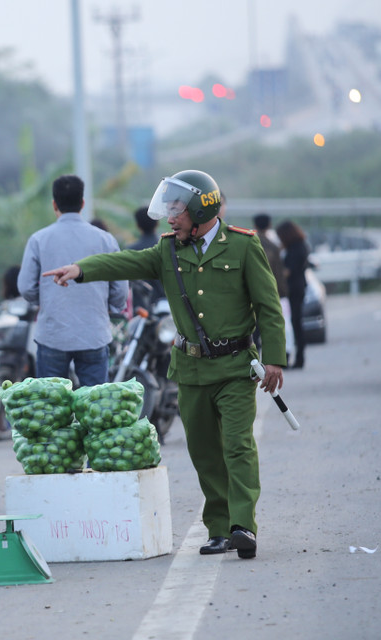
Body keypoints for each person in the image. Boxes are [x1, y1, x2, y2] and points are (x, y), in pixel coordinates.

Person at [41, 169, 287, 560]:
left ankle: (243, 526)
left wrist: (274, 358)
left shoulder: (243, 247)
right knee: (204, 451)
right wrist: (82, 269)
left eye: (176, 211)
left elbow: (269, 308)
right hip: (190, 370)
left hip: (236, 366)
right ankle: (220, 529)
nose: (170, 218)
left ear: (200, 209)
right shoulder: (169, 249)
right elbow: (126, 262)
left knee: (238, 447)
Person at [16, 174, 128, 387]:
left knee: (51, 409)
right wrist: (112, 307)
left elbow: (26, 287)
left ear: (54, 204)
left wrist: (46, 300)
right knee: (95, 409)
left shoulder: (39, 239)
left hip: (53, 335)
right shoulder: (105, 239)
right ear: (82, 203)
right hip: (94, 334)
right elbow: (120, 289)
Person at [252, 213, 289, 353]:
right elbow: (279, 274)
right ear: (269, 225)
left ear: (254, 225)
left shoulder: (248, 243)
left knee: (253, 330)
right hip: (270, 293)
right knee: (270, 326)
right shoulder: (274, 247)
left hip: (252, 293)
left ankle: (254, 360)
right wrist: (283, 293)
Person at [276, 220, 311, 369]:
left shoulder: (296, 248)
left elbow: (288, 271)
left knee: (295, 324)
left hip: (294, 289)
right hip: (297, 288)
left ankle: (299, 358)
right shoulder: (298, 246)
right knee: (295, 323)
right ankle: (297, 357)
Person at [127, 205, 166, 311]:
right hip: (167, 307)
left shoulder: (131, 250)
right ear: (157, 223)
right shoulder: (167, 247)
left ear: (138, 225)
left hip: (141, 309)